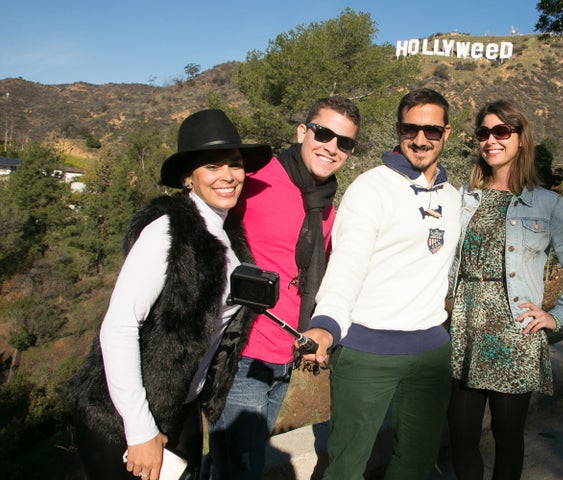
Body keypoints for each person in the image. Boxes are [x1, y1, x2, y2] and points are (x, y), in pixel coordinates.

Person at [64, 109, 272, 480]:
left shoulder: (227, 232)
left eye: (236, 165)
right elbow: (119, 326)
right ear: (187, 178)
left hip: (180, 406)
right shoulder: (168, 231)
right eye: (212, 165)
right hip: (121, 418)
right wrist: (140, 430)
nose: (228, 176)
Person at [302, 88, 461, 479]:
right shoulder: (370, 189)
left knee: (417, 462)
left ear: (447, 133)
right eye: (411, 128)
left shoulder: (453, 197)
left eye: (432, 131)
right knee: (346, 465)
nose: (420, 139)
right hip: (366, 352)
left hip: (430, 352)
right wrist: (325, 325)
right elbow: (346, 266)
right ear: (398, 129)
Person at [205, 96, 361, 480]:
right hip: (240, 355)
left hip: (285, 355)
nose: (332, 147)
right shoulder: (255, 181)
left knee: (234, 461)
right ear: (302, 131)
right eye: (324, 133)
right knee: (241, 469)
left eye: (344, 142)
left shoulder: (325, 202)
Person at [446, 99, 563, 480]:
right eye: (483, 133)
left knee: (507, 437)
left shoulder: (548, 204)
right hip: (463, 328)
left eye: (501, 131)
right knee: (460, 438)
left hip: (514, 332)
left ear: (520, 139)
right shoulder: (462, 199)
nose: (491, 140)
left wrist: (558, 316)